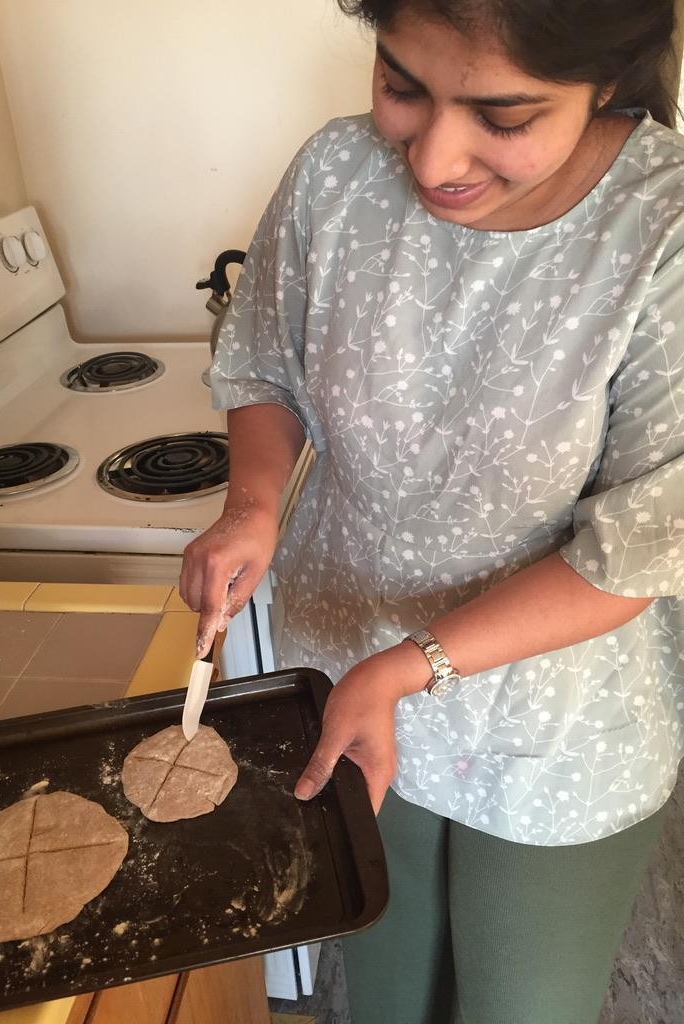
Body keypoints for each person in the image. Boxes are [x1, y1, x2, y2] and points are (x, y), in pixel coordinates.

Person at [180, 1, 684, 1020]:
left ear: (605, 80)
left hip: (557, 725)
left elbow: (640, 541)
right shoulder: (333, 172)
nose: (433, 156)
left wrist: (411, 664)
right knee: (385, 993)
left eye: (502, 115)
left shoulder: (661, 229)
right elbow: (266, 365)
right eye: (403, 84)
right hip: (352, 677)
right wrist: (252, 504)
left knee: (518, 1006)